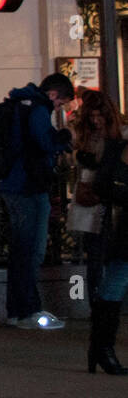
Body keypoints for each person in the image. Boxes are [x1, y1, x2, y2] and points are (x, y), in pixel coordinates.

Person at [0, 72, 75, 330]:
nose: (58, 107)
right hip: (28, 186)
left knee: (21, 250)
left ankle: (17, 311)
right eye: (60, 102)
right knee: (31, 250)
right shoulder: (38, 108)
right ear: (53, 94)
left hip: (14, 183)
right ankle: (29, 310)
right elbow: (44, 142)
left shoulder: (21, 104)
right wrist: (64, 138)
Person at [70, 91, 120, 304]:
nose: (96, 121)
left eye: (100, 116)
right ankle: (99, 303)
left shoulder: (118, 135)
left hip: (112, 198)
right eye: (92, 117)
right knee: (96, 255)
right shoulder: (85, 135)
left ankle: (106, 302)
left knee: (108, 255)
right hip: (93, 197)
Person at [87, 132, 128, 374]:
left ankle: (100, 350)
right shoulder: (116, 149)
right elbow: (103, 186)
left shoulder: (116, 150)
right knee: (114, 284)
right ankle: (102, 349)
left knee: (114, 283)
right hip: (125, 228)